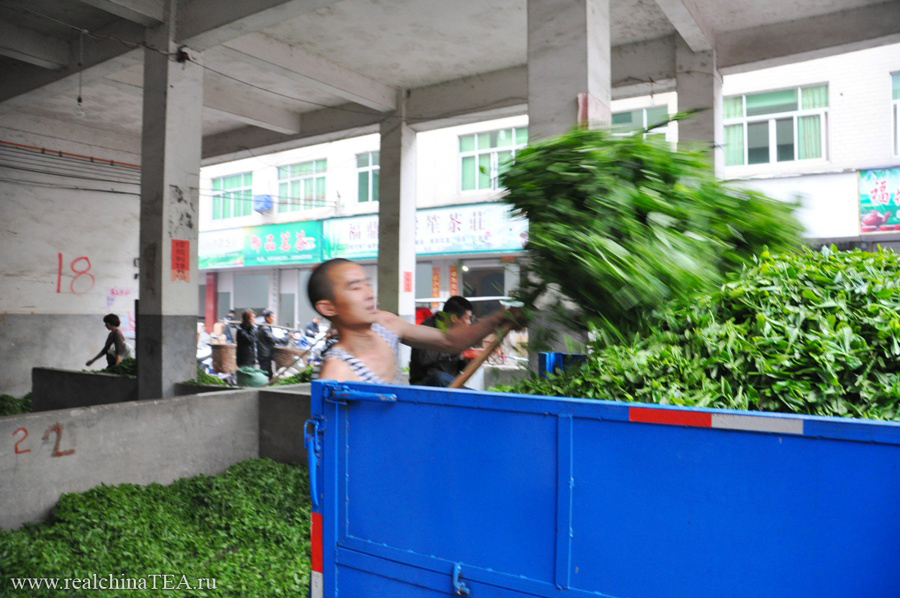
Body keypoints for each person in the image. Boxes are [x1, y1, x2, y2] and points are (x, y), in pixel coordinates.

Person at [307, 258, 522, 384]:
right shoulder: (337, 372)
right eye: (355, 287)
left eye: (367, 284)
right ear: (328, 307)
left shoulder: (386, 324)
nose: (368, 293)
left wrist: (499, 317)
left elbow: (450, 342)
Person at [409, 296, 474, 387]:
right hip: (424, 384)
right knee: (439, 377)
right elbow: (423, 359)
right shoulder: (426, 329)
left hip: (448, 384)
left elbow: (460, 368)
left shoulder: (457, 333)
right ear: (454, 318)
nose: (469, 323)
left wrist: (467, 359)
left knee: (446, 379)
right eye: (467, 318)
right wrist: (451, 349)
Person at [256, 309, 288, 378]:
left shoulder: (265, 326)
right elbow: (272, 339)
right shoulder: (265, 327)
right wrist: (285, 338)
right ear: (267, 318)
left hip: (264, 353)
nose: (274, 319)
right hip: (264, 354)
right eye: (272, 317)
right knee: (266, 373)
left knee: (267, 372)